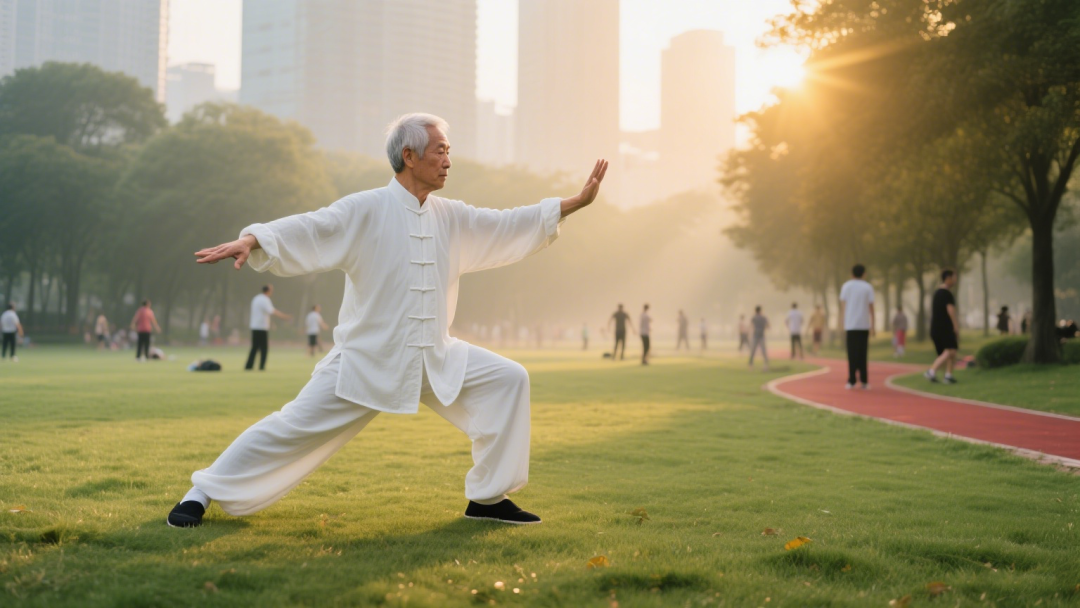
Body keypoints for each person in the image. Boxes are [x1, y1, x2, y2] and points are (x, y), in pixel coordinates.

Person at [167, 113, 608, 528]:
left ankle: (488, 499)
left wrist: (573, 203)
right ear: (408, 156)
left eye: (449, 150)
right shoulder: (366, 208)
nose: (448, 160)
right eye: (439, 150)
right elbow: (312, 227)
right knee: (292, 426)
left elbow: (507, 224)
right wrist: (254, 238)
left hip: (436, 357)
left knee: (509, 379)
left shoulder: (450, 216)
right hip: (367, 360)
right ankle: (199, 493)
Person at [839, 264, 875, 390]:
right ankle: (864, 381)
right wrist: (873, 325)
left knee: (851, 354)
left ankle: (852, 380)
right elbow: (871, 307)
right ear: (864, 274)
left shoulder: (846, 286)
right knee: (863, 353)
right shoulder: (868, 287)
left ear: (852, 273)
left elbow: (843, 306)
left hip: (850, 325)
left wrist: (842, 322)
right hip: (864, 325)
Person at [924, 269, 959, 384]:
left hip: (936, 327)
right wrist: (955, 325)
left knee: (952, 351)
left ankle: (948, 376)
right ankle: (931, 371)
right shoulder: (947, 294)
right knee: (950, 350)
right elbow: (950, 310)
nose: (955, 280)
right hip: (945, 327)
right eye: (954, 277)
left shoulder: (937, 293)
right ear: (948, 278)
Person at [246, 285, 292, 371]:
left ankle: (249, 366)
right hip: (262, 327)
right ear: (268, 291)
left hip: (254, 326)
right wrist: (285, 317)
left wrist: (271, 323)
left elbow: (264, 313)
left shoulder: (256, 298)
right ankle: (261, 366)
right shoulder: (265, 299)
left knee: (254, 347)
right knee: (264, 348)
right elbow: (272, 311)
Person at [748, 306, 769, 370]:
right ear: (760, 310)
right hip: (761, 335)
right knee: (763, 351)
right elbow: (768, 326)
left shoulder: (754, 318)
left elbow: (751, 326)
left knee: (753, 351)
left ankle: (750, 365)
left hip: (755, 335)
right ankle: (766, 365)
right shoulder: (763, 318)